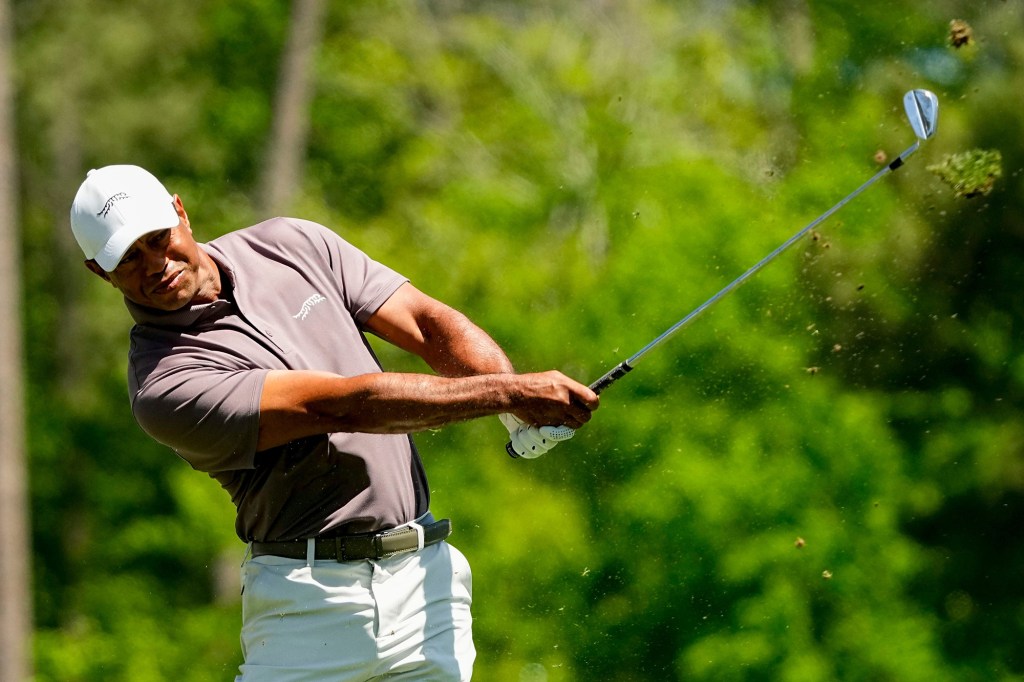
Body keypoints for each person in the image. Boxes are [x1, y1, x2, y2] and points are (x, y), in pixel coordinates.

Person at [69, 164, 599, 681]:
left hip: (424, 587)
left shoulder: (290, 244)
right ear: (99, 272)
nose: (155, 264)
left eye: (158, 238)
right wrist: (509, 392)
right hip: (307, 610)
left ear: (180, 212)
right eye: (128, 259)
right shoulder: (165, 384)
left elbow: (423, 321)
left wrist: (515, 409)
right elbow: (342, 407)